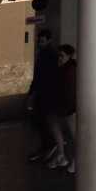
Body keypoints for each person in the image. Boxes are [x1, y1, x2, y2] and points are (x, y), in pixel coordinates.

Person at [27, 28, 60, 162]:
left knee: (41, 120)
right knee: (43, 120)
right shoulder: (49, 54)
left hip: (44, 93)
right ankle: (49, 145)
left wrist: (32, 92)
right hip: (45, 92)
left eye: (42, 41)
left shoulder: (45, 55)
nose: (40, 43)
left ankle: (49, 144)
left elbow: (40, 76)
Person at [47, 44, 77, 172]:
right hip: (61, 106)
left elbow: (68, 91)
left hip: (68, 107)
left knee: (73, 134)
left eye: (62, 56)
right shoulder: (64, 67)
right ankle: (61, 155)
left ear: (69, 56)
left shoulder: (70, 70)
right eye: (59, 55)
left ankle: (73, 159)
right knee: (56, 126)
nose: (59, 58)